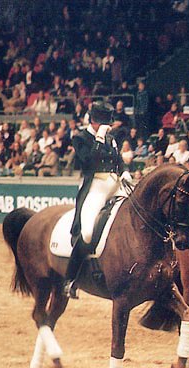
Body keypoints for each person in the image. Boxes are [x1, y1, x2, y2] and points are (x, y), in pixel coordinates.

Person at [63, 102, 127, 298]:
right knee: (88, 233)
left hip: (115, 184)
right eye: (104, 124)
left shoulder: (111, 138)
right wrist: (99, 138)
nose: (108, 127)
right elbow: (88, 161)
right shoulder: (80, 138)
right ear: (94, 121)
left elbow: (118, 160)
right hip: (96, 187)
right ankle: (71, 279)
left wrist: (124, 172)